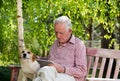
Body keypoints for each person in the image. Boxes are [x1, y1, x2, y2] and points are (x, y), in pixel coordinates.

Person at [35, 16, 87, 81]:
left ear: (70, 31)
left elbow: (82, 71)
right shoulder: (55, 44)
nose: (58, 36)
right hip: (51, 74)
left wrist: (63, 69)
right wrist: (39, 59)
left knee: (41, 77)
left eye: (61, 33)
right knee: (39, 78)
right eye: (56, 32)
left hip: (69, 76)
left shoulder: (78, 45)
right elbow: (50, 59)